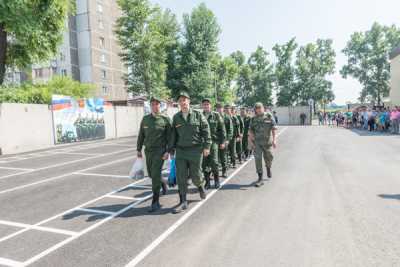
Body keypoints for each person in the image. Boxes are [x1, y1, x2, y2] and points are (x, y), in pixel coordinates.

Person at [169, 92, 211, 213]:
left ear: (189, 101)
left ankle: (200, 186)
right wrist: (171, 150)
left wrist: (207, 146)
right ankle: (183, 201)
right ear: (178, 104)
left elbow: (206, 131)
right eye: (180, 101)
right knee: (181, 176)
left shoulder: (198, 115)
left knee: (196, 175)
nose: (183, 103)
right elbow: (173, 135)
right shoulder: (176, 117)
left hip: (195, 150)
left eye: (185, 100)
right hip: (181, 151)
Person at [137, 97, 172, 212]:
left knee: (155, 174)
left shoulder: (165, 119)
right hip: (148, 151)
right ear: (150, 106)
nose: (154, 106)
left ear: (159, 106)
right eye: (152, 104)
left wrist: (168, 151)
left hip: (160, 151)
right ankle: (162, 183)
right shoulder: (145, 119)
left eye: (157, 104)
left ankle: (155, 201)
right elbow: (141, 135)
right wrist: (138, 149)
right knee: (152, 175)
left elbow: (170, 137)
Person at [249, 102, 277, 187]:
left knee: (269, 157)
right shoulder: (253, 119)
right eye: (257, 109)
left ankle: (268, 167)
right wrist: (251, 141)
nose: (258, 110)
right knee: (257, 159)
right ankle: (260, 178)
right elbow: (251, 131)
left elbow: (274, 128)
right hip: (257, 142)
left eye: (260, 108)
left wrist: (274, 140)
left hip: (267, 142)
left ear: (263, 108)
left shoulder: (269, 116)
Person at [202, 99, 226, 189]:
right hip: (203, 144)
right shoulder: (199, 116)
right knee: (205, 164)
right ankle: (207, 182)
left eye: (207, 104)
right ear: (202, 106)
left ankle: (216, 180)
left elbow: (222, 129)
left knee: (214, 162)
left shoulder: (216, 115)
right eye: (204, 104)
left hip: (213, 143)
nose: (206, 106)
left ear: (210, 106)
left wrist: (223, 141)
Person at [216, 103, 232, 178]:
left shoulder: (227, 117)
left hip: (224, 140)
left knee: (223, 157)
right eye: (217, 108)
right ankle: (214, 171)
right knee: (215, 157)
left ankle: (224, 171)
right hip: (215, 140)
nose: (218, 109)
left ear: (223, 109)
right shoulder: (214, 116)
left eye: (220, 108)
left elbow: (230, 130)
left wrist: (228, 140)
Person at [224, 104, 237, 168]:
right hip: (225, 137)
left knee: (232, 151)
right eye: (226, 109)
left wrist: (238, 136)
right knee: (225, 151)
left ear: (230, 110)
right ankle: (227, 164)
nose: (227, 110)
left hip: (233, 137)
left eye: (228, 109)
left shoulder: (234, 118)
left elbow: (237, 127)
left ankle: (233, 162)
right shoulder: (223, 117)